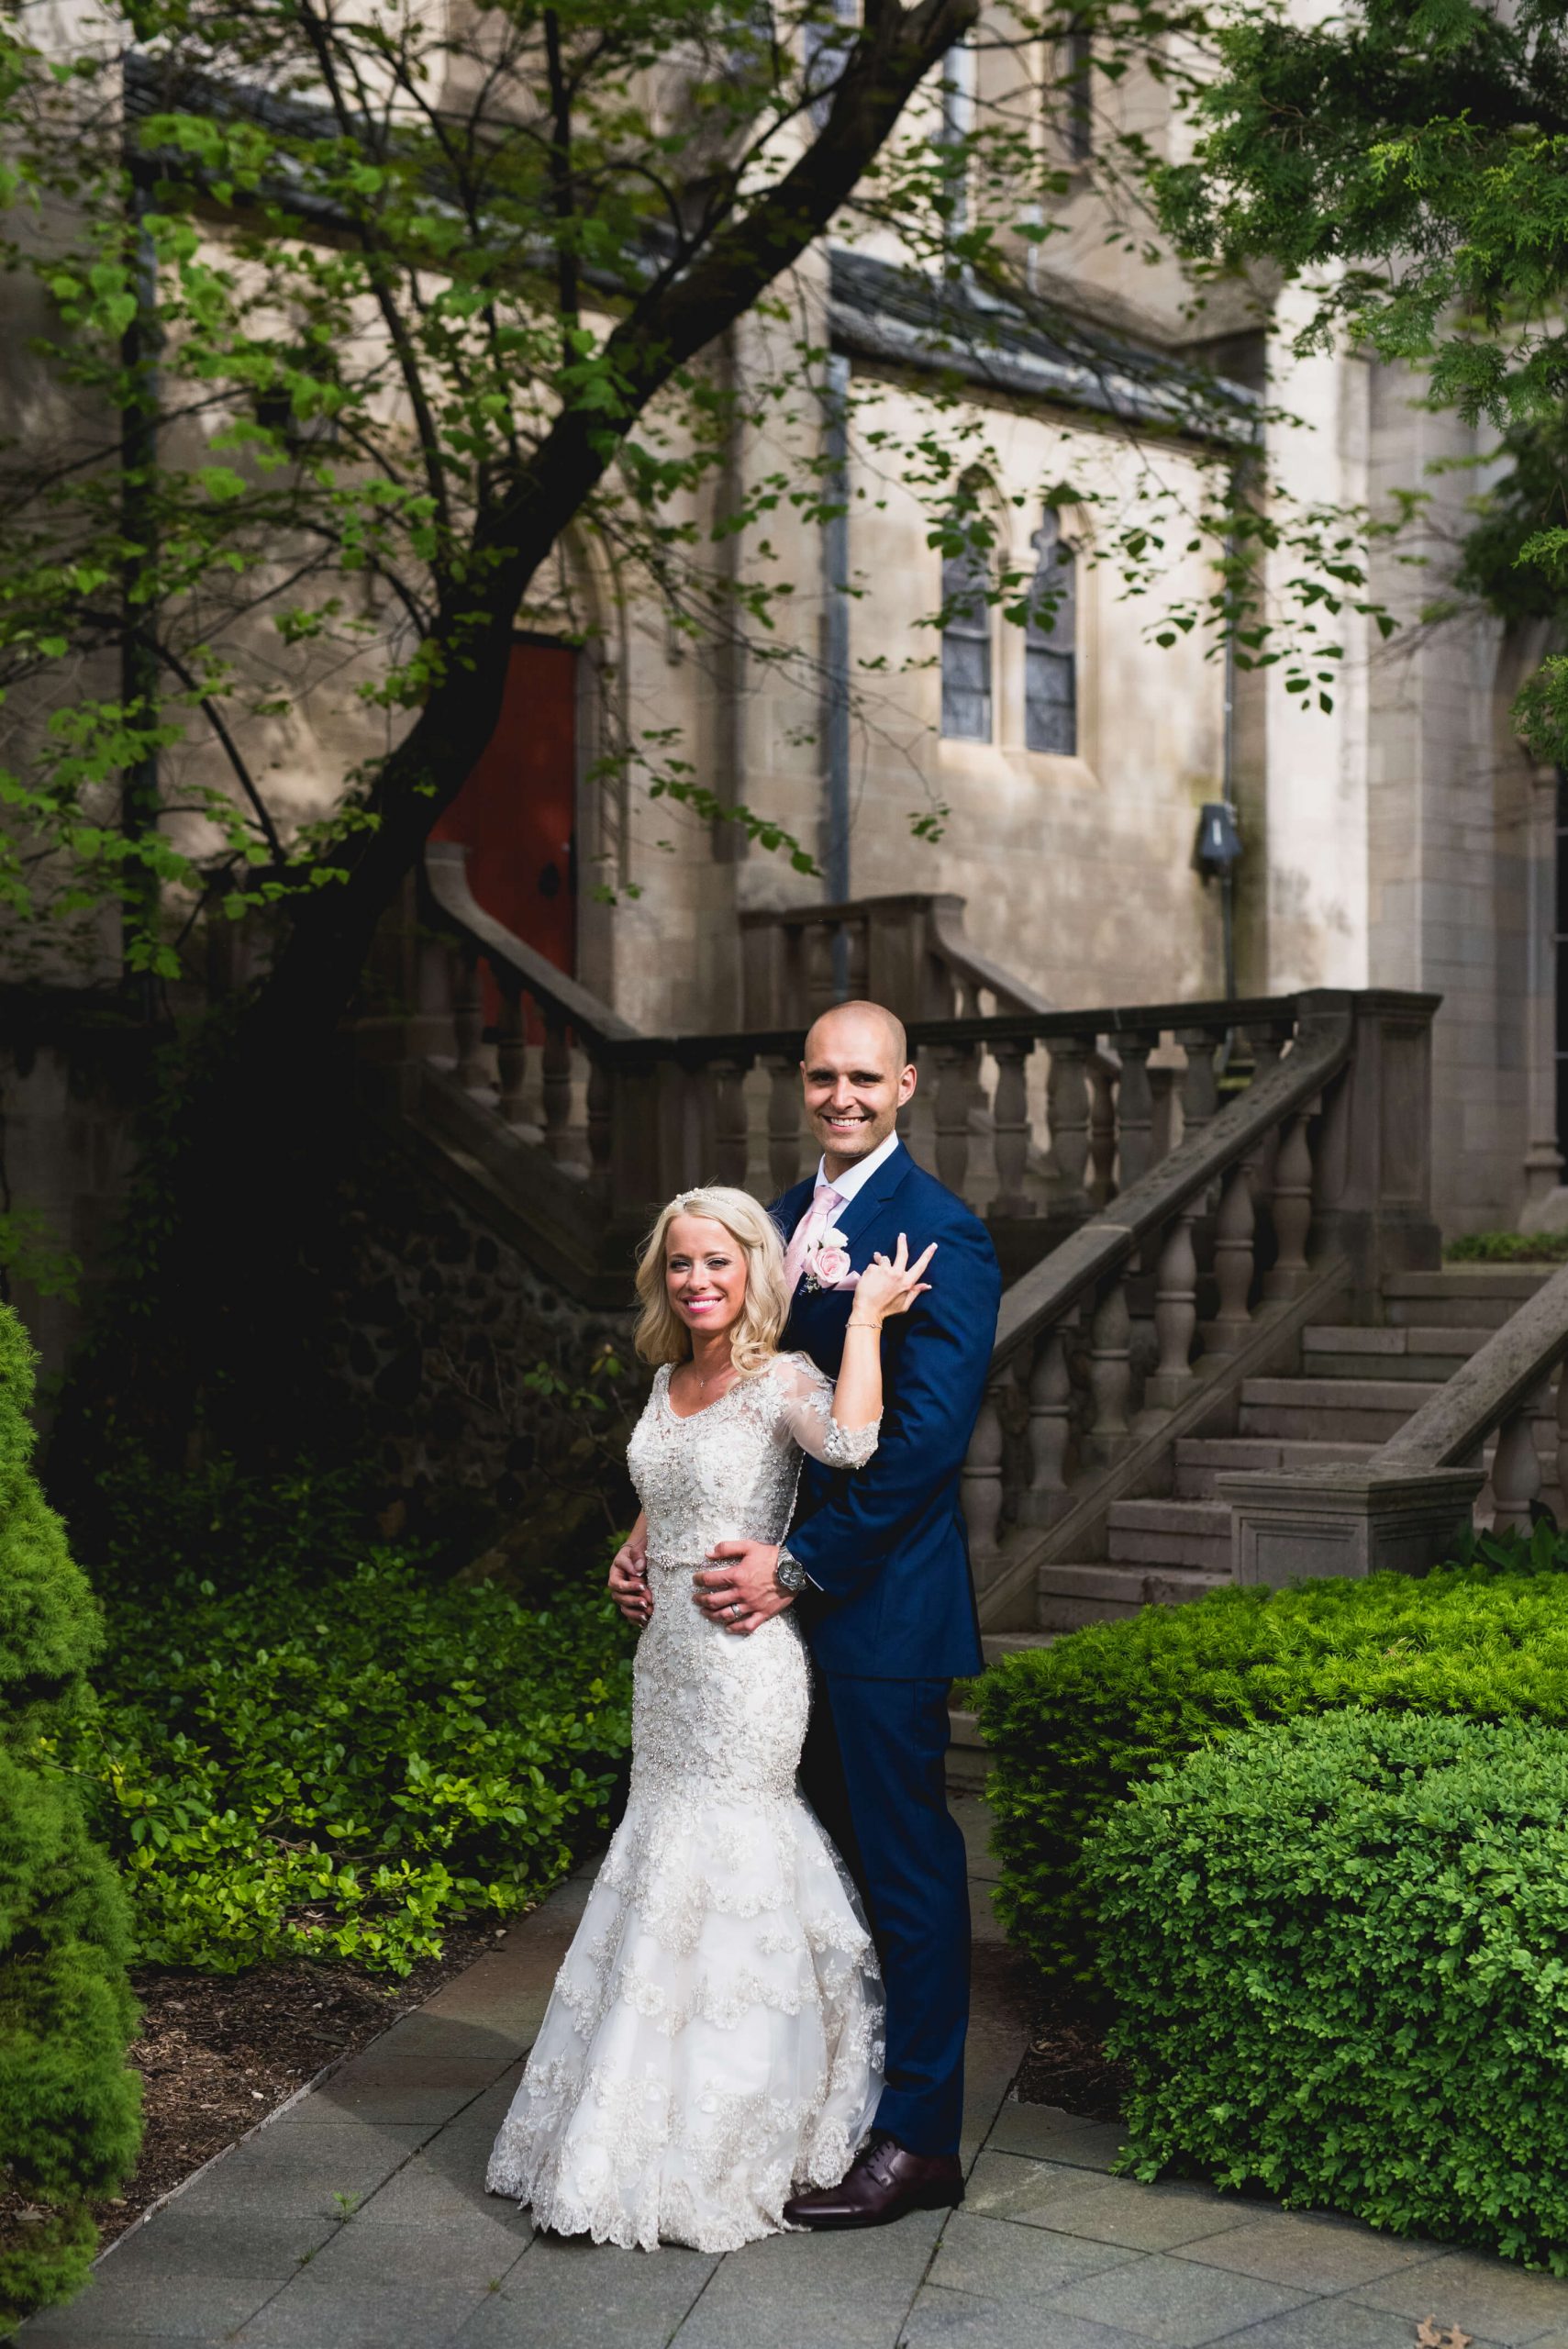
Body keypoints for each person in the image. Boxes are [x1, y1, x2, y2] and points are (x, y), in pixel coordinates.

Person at [486, 1185, 933, 2253]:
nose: (696, 1282)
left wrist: (865, 1321)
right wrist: (634, 1547)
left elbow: (854, 1446)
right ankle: (625, 2122)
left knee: (729, 1860)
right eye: (680, 1264)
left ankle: (728, 2132)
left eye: (716, 1264)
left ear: (753, 1272)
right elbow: (672, 1476)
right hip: (665, 1662)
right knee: (657, 1858)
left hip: (744, 1663)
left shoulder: (779, 1376)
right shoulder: (664, 1378)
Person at [680, 999, 1000, 2230]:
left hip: (877, 1614)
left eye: (864, 1077)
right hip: (767, 1620)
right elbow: (727, 1394)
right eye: (821, 1077)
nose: (841, 1097)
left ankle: (918, 2141)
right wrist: (656, 1523)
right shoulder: (767, 1222)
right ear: (798, 1083)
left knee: (902, 1869)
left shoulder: (942, 1237)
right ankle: (821, 2101)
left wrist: (797, 1566)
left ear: (907, 1085)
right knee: (798, 1868)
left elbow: (921, 1450)